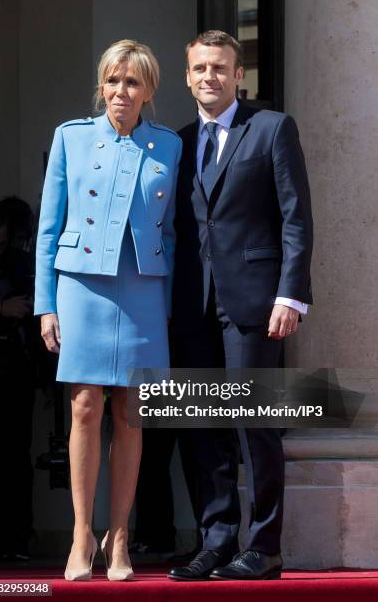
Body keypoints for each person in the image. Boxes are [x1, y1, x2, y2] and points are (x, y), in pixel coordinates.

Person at [34, 39, 182, 581]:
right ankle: (81, 534)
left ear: (149, 91)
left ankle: (120, 538)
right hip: (81, 287)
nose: (122, 91)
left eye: (133, 82)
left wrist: (168, 310)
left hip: (143, 290)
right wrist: (45, 305)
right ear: (102, 85)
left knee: (131, 413)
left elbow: (172, 233)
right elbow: (48, 228)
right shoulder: (70, 138)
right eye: (113, 80)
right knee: (84, 407)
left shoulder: (168, 146)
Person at [168, 30, 313, 581]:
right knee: (202, 428)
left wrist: (291, 294)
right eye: (200, 67)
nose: (210, 76)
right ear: (187, 77)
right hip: (190, 305)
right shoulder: (176, 143)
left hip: (255, 302)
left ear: (238, 76)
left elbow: (296, 216)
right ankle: (216, 540)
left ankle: (264, 546)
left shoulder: (272, 128)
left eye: (220, 68)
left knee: (255, 424)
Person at [0, 201, 35, 561]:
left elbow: (34, 308)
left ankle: (15, 541)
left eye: (1, 243)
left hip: (15, 372)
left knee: (15, 459)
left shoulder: (20, 263)